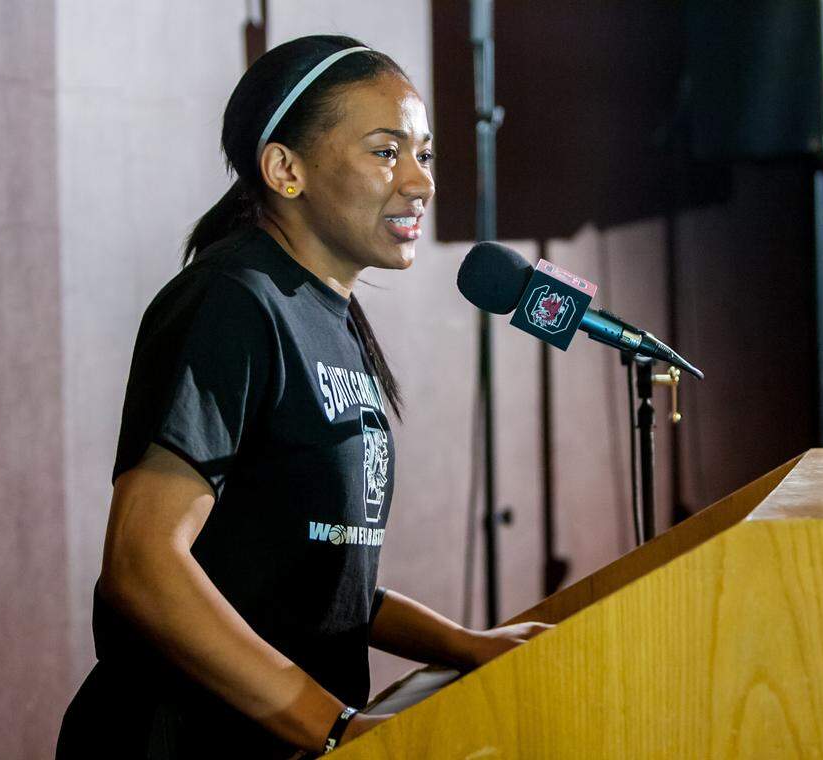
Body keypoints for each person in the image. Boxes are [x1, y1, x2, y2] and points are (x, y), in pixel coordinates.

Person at [55, 34, 551, 759]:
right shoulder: (232, 302)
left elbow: (313, 576)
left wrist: (466, 644)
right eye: (386, 152)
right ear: (285, 168)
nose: (420, 182)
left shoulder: (331, 315)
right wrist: (336, 726)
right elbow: (142, 563)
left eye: (425, 153)